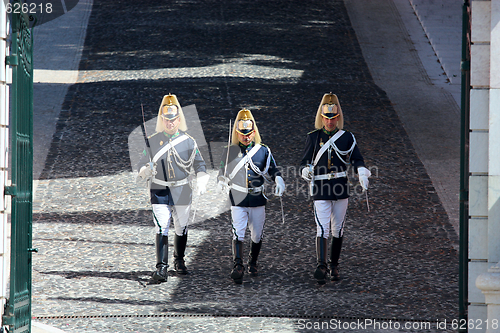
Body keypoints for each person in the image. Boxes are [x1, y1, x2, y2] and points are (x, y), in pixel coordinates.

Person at [300, 93, 371, 285]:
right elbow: (305, 160)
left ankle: (334, 265)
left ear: (337, 118)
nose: (330, 122)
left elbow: (357, 158)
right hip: (321, 188)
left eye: (333, 118)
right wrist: (305, 169)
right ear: (322, 118)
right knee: (322, 228)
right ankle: (321, 265)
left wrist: (362, 172)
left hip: (340, 187)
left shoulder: (347, 137)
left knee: (337, 229)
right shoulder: (314, 138)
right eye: (326, 118)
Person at [138, 94, 209, 282]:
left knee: (181, 227)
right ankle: (161, 267)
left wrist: (202, 177)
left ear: (179, 120)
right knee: (161, 227)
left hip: (182, 190)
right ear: (162, 120)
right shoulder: (152, 141)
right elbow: (141, 165)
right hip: (159, 190)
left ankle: (179, 260)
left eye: (173, 119)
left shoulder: (188, 141)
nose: (170, 123)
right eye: (166, 119)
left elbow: (200, 164)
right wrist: (145, 170)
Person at [218, 109, 285, 284]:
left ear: (253, 132)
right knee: (238, 232)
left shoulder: (263, 151)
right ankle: (238, 265)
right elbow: (221, 172)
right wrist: (221, 181)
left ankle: (253, 261)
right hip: (238, 198)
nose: (245, 137)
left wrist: (278, 179)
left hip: (257, 199)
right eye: (242, 133)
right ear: (237, 133)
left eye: (248, 133)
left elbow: (273, 169)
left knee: (256, 235)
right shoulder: (229, 151)